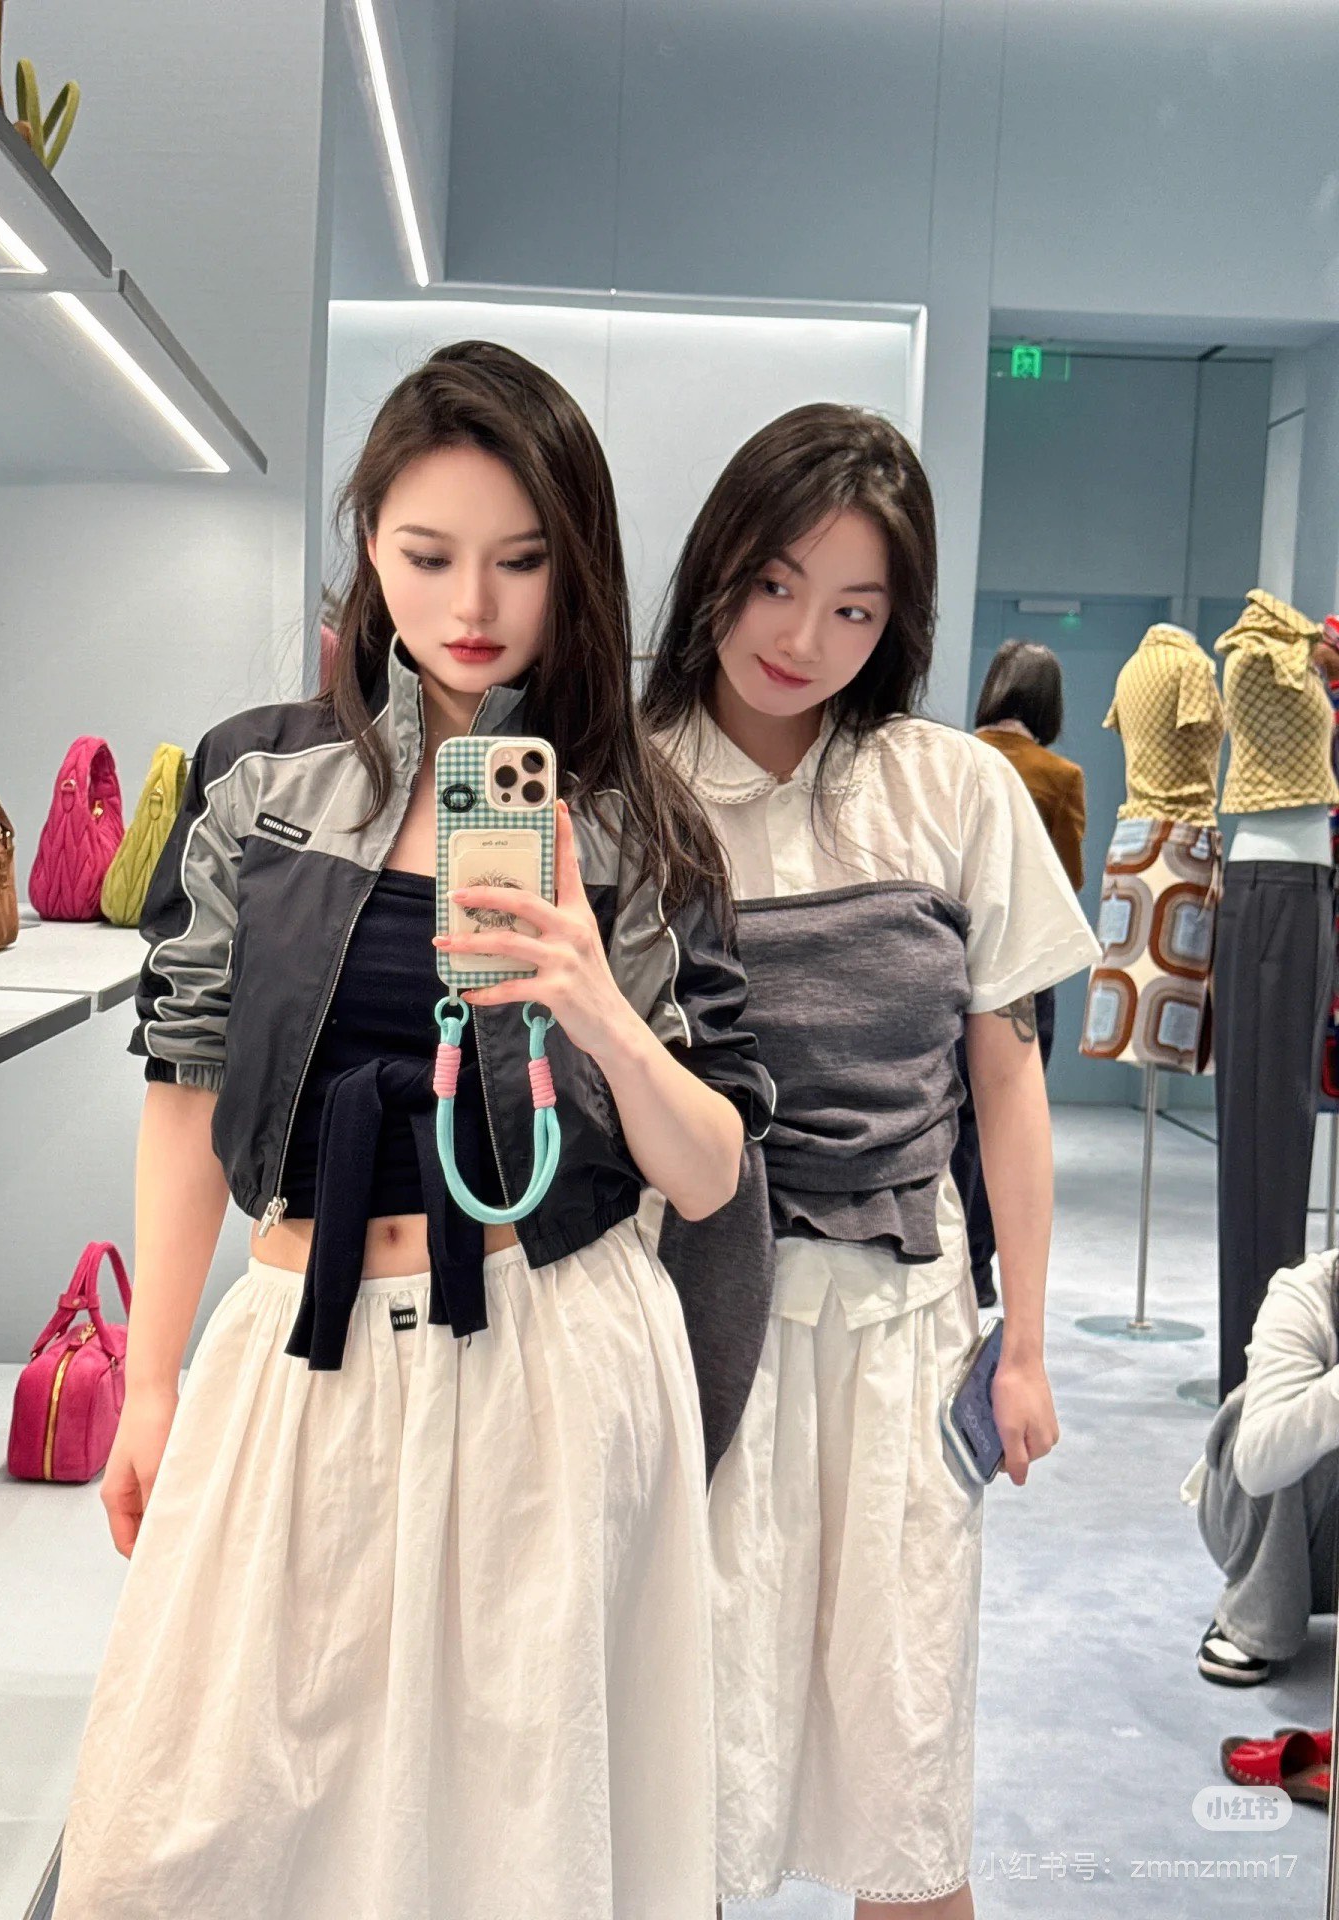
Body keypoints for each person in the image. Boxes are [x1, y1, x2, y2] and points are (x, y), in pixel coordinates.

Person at [52, 341, 773, 1920]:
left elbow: (714, 1169)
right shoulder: (260, 780)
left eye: (521, 559)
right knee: (182, 1839)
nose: (473, 604)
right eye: (428, 554)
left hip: (547, 1353)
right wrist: (152, 1380)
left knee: (509, 1843)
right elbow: (184, 1082)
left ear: (577, 566)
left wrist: (593, 1004)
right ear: (367, 546)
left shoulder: (632, 818)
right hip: (296, 1348)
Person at [642, 404, 1099, 1916]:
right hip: (693, 1326)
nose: (803, 639)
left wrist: (1026, 1345)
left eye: (855, 608)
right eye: (776, 585)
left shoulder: (950, 788)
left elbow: (1006, 1080)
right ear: (718, 566)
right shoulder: (625, 788)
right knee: (680, 1774)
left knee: (904, 1776)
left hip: (904, 1327)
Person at [954, 639, 1087, 1305]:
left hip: (948, 958)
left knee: (949, 1116)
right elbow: (1066, 880)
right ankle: (978, 1269)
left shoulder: (953, 757)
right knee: (1006, 1117)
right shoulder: (1059, 777)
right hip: (1023, 970)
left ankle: (947, 1258)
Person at [1184, 1249, 1339, 1689]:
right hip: (1272, 1532)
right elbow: (1257, 1466)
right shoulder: (1305, 1295)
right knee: (1272, 1423)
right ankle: (1254, 1617)